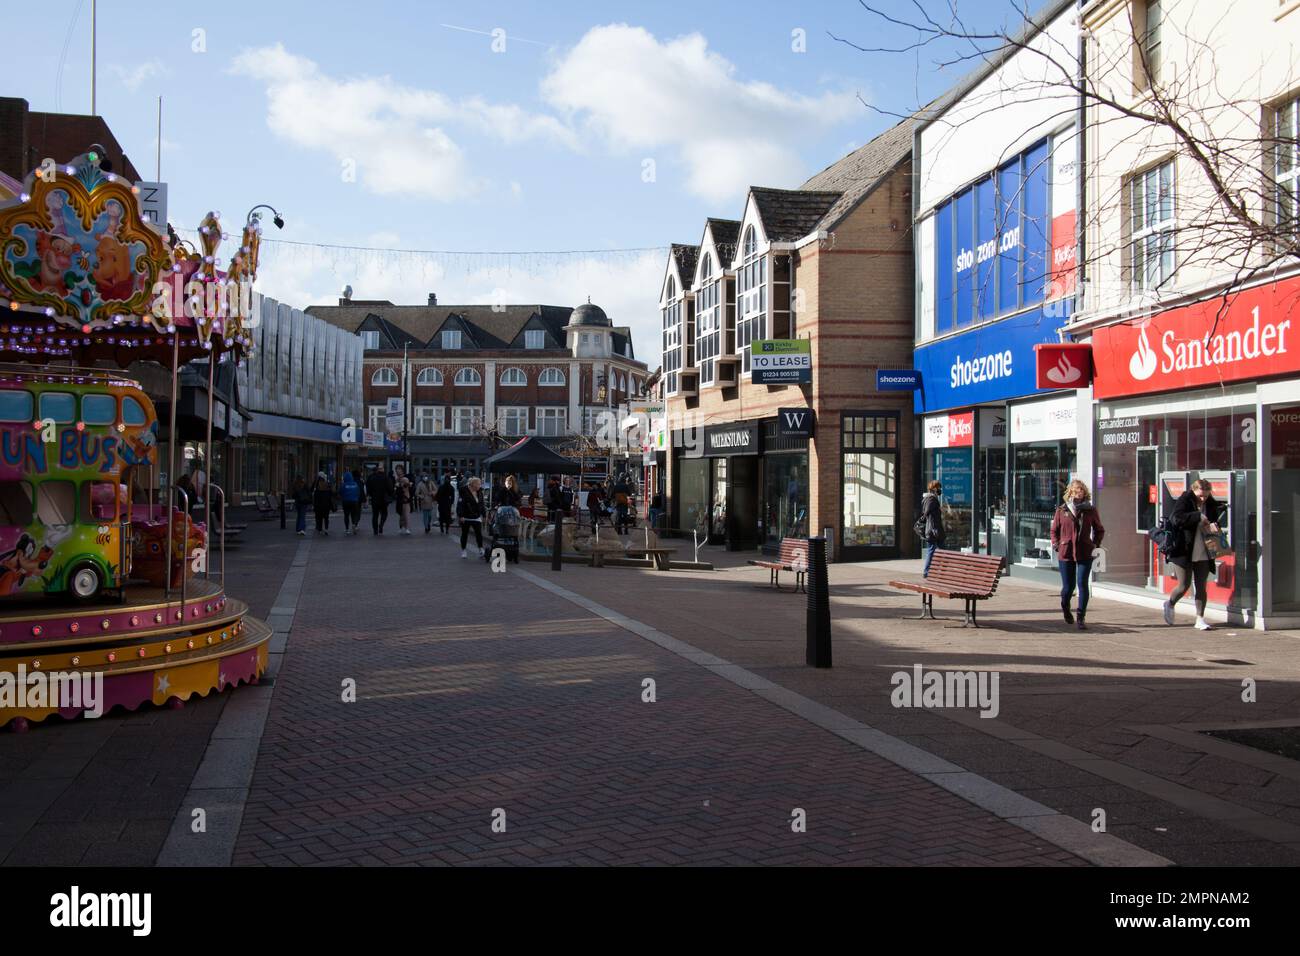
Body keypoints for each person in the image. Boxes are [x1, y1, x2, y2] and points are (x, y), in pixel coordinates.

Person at [1163, 478, 1225, 631]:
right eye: (1200, 495)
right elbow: (1176, 519)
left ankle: (1200, 619)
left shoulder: (1211, 503)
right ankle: (1170, 603)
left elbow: (1216, 520)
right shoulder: (1185, 500)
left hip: (1204, 548)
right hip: (1184, 549)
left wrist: (1215, 526)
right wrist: (1197, 516)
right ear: (1194, 490)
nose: (1203, 498)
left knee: (1201, 585)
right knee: (1184, 585)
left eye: (1206, 495)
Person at [1050, 479, 1105, 630]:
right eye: (1075, 490)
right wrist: (1056, 544)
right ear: (1070, 492)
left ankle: (1081, 617)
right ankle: (1066, 608)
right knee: (1068, 587)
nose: (1077, 493)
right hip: (1066, 552)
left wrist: (1095, 544)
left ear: (1084, 492)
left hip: (1084, 552)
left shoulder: (1090, 510)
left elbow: (1099, 529)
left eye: (1080, 490)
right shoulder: (1062, 510)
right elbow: (1054, 530)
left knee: (1082, 584)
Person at [919, 480, 945, 577]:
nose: (940, 490)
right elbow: (927, 513)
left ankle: (935, 571)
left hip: (932, 530)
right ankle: (928, 572)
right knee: (935, 550)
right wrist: (935, 529)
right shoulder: (931, 499)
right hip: (934, 530)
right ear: (934, 489)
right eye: (939, 488)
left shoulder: (928, 498)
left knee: (937, 550)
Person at [458, 476, 486, 558]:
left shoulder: (480, 492)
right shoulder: (464, 492)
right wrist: (461, 515)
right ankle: (463, 550)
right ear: (473, 484)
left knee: (479, 534)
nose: (480, 486)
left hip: (476, 516)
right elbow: (460, 505)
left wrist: (484, 515)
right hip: (466, 516)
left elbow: (481, 504)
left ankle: (480, 548)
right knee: (464, 534)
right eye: (479, 484)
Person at [366, 466, 390, 535]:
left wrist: (371, 495)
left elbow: (368, 488)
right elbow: (390, 488)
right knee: (384, 513)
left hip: (375, 499)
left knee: (375, 515)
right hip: (383, 499)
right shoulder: (386, 477)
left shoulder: (371, 478)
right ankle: (381, 524)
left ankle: (375, 530)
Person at [340, 468, 361, 535]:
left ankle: (347, 529)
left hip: (346, 501)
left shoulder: (344, 485)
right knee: (354, 514)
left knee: (346, 515)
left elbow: (340, 492)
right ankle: (354, 524)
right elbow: (358, 492)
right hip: (354, 501)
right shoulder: (355, 484)